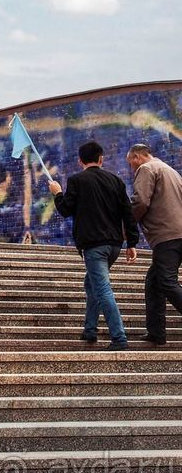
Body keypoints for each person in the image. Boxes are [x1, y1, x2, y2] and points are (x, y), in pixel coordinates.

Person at [49, 141, 138, 351]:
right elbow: (128, 212)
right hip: (114, 245)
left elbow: (65, 210)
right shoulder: (116, 180)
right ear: (101, 159)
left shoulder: (76, 180)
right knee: (91, 283)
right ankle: (90, 329)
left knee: (102, 289)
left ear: (80, 161)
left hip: (93, 245)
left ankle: (119, 338)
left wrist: (57, 193)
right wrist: (132, 242)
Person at [126, 143, 182, 345]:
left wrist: (127, 226)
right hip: (177, 232)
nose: (131, 167)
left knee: (166, 281)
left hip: (166, 234)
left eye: (130, 162)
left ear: (137, 157)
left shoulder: (146, 168)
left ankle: (156, 333)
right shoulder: (171, 171)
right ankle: (156, 333)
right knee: (154, 282)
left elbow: (140, 201)